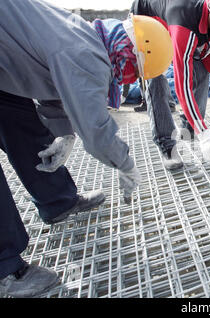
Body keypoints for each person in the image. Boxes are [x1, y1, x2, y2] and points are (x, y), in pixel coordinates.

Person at [0, 0, 172, 297]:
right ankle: (6, 270)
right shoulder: (86, 53)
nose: (128, 80)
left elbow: (49, 83)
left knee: (19, 120)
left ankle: (58, 202)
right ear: (130, 53)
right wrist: (126, 163)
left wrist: (64, 134)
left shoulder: (86, 36)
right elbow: (95, 129)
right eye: (133, 72)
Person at [129, 0, 210, 169]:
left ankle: (190, 127)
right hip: (146, 19)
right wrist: (205, 134)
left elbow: (209, 56)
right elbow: (182, 85)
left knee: (200, 67)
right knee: (155, 78)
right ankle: (167, 146)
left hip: (175, 18)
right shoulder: (185, 27)